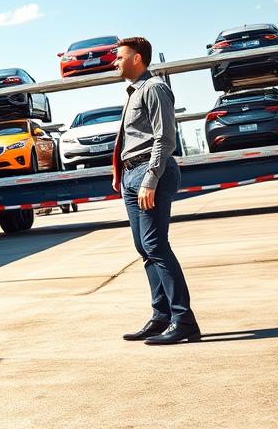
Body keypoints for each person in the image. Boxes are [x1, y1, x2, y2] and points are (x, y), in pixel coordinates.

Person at [112, 36, 200, 345]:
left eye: (120, 57)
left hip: (152, 173)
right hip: (130, 175)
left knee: (156, 246)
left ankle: (184, 320)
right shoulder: (134, 91)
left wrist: (150, 178)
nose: (115, 62)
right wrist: (121, 173)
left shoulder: (155, 89)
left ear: (137, 58)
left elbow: (165, 138)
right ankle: (161, 316)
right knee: (144, 248)